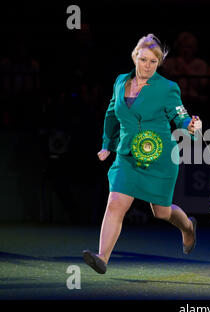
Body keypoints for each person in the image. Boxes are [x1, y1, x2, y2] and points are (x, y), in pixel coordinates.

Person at [82, 34, 202, 274]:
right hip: (126, 156)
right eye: (143, 59)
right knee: (116, 203)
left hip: (159, 160)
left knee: (162, 212)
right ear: (134, 57)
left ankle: (188, 227)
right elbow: (110, 115)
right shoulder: (119, 82)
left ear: (159, 63)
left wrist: (191, 126)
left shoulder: (168, 88)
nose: (147, 65)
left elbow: (180, 116)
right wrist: (107, 144)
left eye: (153, 62)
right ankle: (102, 257)